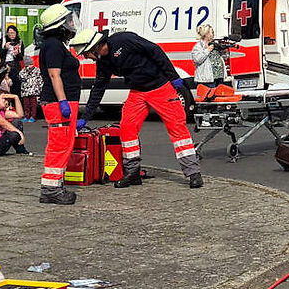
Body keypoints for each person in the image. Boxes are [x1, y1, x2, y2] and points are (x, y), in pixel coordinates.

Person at [73, 27, 204, 189]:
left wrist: (174, 78)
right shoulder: (103, 63)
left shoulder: (124, 40)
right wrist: (86, 116)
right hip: (138, 93)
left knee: (177, 129)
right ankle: (132, 172)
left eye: (87, 54)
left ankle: (193, 173)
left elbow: (155, 51)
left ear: (95, 48)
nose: (87, 58)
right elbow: (98, 88)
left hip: (161, 88)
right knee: (127, 128)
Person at [35, 4, 81, 205]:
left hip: (64, 101)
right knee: (59, 144)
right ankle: (50, 189)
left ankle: (54, 186)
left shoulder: (56, 44)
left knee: (65, 143)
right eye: (69, 21)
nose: (72, 24)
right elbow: (55, 75)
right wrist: (63, 102)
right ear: (59, 25)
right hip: (58, 102)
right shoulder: (53, 45)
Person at [0, 26, 24, 96]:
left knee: (15, 86)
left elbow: (21, 57)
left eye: (13, 33)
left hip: (15, 66)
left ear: (16, 33)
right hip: (4, 65)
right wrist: (5, 48)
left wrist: (17, 54)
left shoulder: (19, 42)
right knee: (4, 86)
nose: (11, 35)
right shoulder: (2, 41)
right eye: (9, 33)